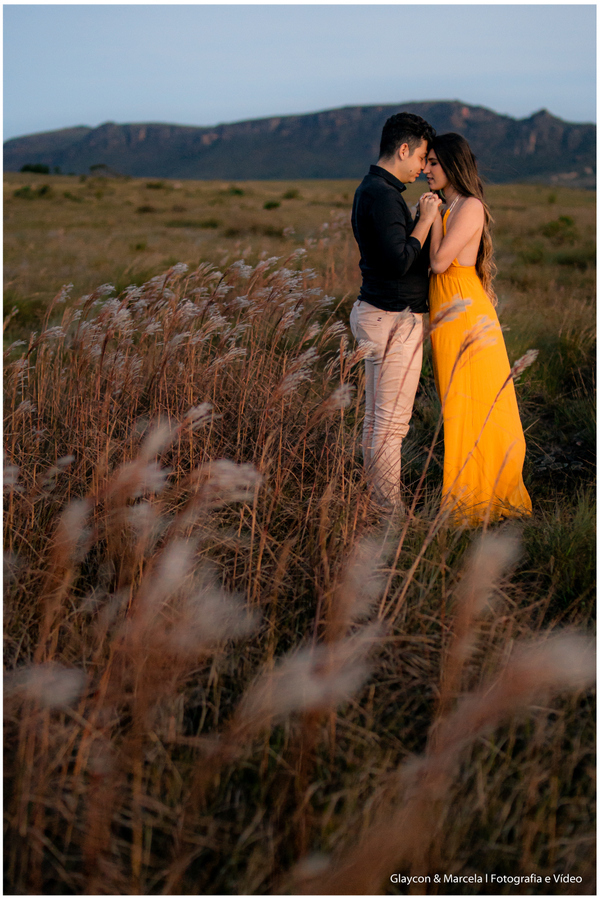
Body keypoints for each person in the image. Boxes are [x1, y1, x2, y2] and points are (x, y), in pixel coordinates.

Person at [423, 132, 532, 524]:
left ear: (453, 165)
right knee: (458, 405)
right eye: (426, 161)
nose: (426, 169)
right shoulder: (449, 205)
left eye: (434, 162)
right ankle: (468, 493)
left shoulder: (469, 206)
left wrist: (431, 218)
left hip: (464, 312)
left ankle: (480, 498)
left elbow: (438, 263)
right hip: (448, 311)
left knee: (476, 402)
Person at [350, 112, 442, 511]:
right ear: (403, 149)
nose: (423, 168)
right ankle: (390, 515)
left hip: (377, 314)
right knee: (389, 427)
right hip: (392, 319)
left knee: (376, 422)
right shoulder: (384, 195)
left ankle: (376, 505)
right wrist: (424, 221)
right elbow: (399, 260)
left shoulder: (373, 188)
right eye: (422, 157)